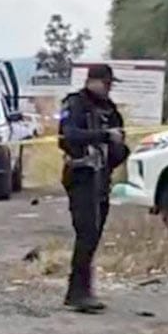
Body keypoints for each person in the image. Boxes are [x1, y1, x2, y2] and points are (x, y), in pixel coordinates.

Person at [58, 64, 129, 313]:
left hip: (101, 178)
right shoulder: (75, 104)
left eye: (111, 84)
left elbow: (121, 143)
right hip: (81, 176)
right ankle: (77, 292)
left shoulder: (111, 110)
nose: (109, 88)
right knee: (86, 232)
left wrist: (117, 148)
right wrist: (103, 136)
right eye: (106, 83)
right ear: (92, 81)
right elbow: (69, 135)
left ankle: (82, 289)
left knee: (94, 234)